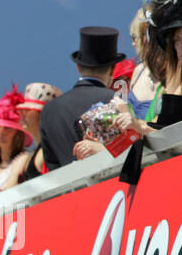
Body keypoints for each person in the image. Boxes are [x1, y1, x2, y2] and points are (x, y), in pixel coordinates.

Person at [39, 27, 124, 169]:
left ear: (78, 67)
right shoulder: (115, 100)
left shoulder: (50, 110)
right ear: (112, 69)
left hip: (70, 189)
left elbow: (51, 164)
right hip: (113, 186)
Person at [0, 86, 36, 191]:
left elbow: (9, 191)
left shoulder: (23, 159)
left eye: (7, 128)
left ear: (18, 134)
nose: (1, 132)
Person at [15, 82, 61, 178]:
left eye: (27, 109)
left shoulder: (49, 150)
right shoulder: (41, 150)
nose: (22, 113)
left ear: (43, 114)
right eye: (22, 110)